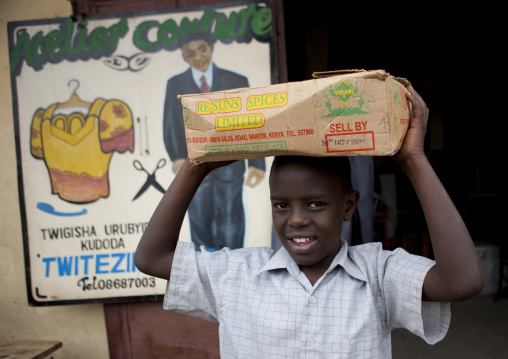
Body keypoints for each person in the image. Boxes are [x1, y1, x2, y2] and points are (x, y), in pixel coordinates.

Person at [136, 87, 485, 358]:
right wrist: (197, 166)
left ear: (349, 206)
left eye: (317, 204)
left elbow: (462, 281)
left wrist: (414, 161)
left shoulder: (378, 275)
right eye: (282, 205)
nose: (297, 219)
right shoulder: (236, 275)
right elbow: (151, 258)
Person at [162, 31, 265, 250]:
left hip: (231, 162)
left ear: (211, 47)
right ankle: (206, 263)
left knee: (230, 215)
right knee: (198, 213)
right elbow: (170, 123)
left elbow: (253, 121)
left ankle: (234, 261)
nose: (197, 56)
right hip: (194, 163)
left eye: (202, 49)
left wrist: (257, 163)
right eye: (190, 53)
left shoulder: (235, 80)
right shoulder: (176, 84)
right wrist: (176, 156)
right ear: (183, 56)